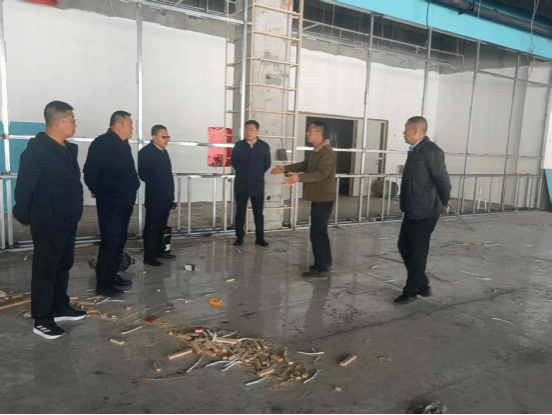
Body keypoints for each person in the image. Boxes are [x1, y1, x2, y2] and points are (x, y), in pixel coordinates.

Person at [13, 101, 85, 340]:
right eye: (72, 120)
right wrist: (25, 216)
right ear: (58, 122)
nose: (75, 125)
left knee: (63, 266)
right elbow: (24, 190)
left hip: (67, 220)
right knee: (45, 270)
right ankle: (42, 319)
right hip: (47, 222)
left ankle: (60, 307)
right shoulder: (36, 152)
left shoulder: (67, 150)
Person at [394, 116, 451, 305]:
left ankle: (411, 291)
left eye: (406, 130)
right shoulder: (415, 150)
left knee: (418, 252)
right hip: (412, 208)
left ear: (415, 131)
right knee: (404, 245)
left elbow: (443, 180)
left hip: (426, 210)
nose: (404, 133)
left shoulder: (431, 151)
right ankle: (422, 284)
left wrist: (444, 200)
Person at [83, 111, 140, 297]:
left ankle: (113, 274)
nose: (132, 128)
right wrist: (98, 190)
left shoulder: (124, 144)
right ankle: (103, 283)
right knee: (110, 241)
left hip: (125, 201)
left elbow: (129, 170)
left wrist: (134, 184)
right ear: (118, 125)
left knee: (120, 240)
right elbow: (90, 171)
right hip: (110, 202)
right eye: (130, 124)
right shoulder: (102, 143)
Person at [272, 121, 336, 278]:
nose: (307, 133)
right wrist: (286, 169)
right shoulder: (317, 151)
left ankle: (320, 267)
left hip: (324, 198)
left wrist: (298, 178)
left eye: (310, 131)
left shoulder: (327, 152)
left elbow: (321, 174)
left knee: (317, 233)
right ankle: (326, 261)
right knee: (320, 231)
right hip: (318, 197)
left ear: (319, 134)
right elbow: (306, 165)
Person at [138, 125, 176, 267]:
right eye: (163, 137)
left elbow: (168, 176)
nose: (166, 139)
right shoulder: (146, 152)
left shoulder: (164, 152)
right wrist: (159, 184)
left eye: (167, 137)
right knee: (152, 227)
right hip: (155, 197)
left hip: (166, 197)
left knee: (161, 226)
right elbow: (144, 175)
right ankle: (149, 256)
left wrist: (170, 196)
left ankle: (160, 251)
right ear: (154, 137)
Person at [231, 120, 271, 247]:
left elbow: (267, 164)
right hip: (241, 184)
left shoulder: (264, 146)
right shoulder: (239, 145)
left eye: (252, 129)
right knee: (240, 213)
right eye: (247, 129)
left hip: (257, 184)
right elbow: (234, 162)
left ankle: (260, 238)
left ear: (257, 131)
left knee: (258, 213)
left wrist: (256, 173)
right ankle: (239, 237)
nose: (249, 132)